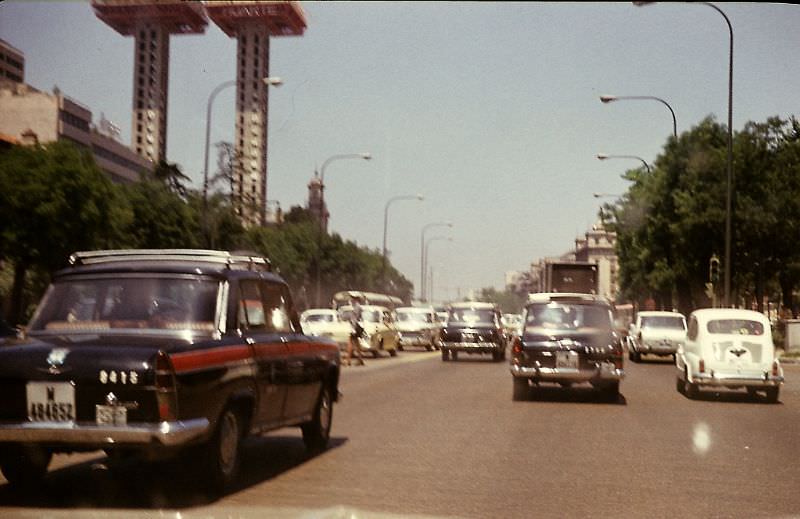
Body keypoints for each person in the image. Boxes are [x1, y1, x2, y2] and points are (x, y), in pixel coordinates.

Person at [346, 296, 365, 366]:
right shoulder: (355, 306)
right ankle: (360, 360)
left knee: (350, 343)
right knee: (356, 344)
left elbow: (355, 319)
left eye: (352, 298)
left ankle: (348, 361)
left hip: (355, 327)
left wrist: (353, 329)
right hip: (356, 327)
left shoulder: (357, 307)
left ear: (356, 299)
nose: (351, 299)